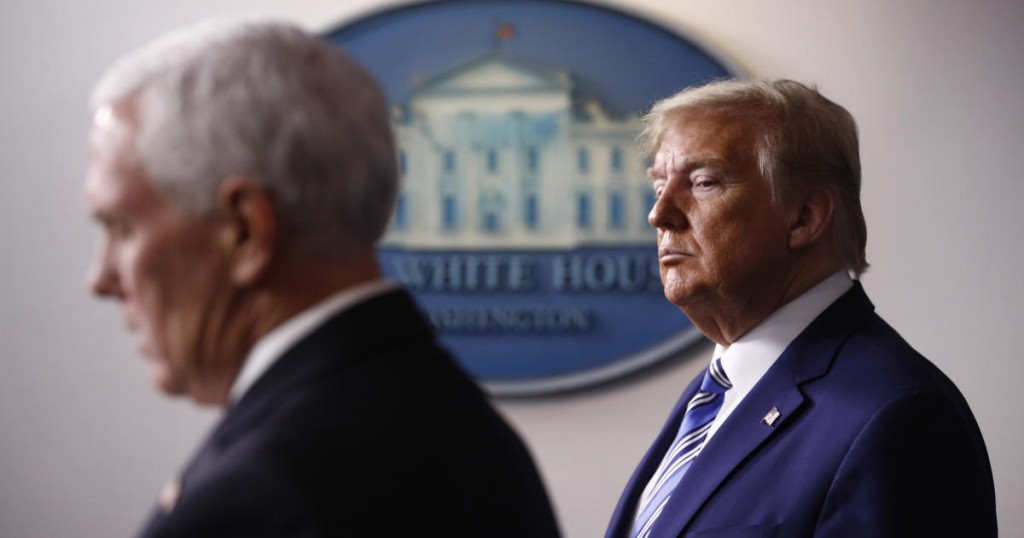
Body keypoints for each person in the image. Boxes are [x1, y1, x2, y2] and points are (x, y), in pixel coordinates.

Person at [84, 19, 560, 538]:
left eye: (122, 228)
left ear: (244, 230)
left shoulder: (259, 496)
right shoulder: (467, 433)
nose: (101, 279)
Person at [605, 79, 996, 537]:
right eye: (658, 186)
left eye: (704, 182)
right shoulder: (718, 393)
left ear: (805, 217)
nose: (660, 214)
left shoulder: (898, 417)